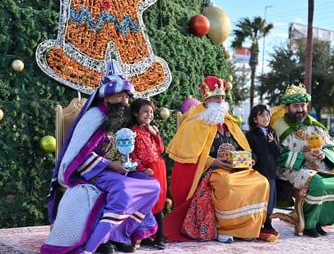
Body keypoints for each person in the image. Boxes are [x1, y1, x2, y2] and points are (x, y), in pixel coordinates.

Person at [41, 59, 160, 254]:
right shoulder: (94, 117)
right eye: (120, 97)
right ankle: (100, 241)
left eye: (127, 98)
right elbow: (79, 155)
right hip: (92, 171)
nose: (125, 102)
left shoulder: (120, 118)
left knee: (152, 186)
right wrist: (111, 165)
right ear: (106, 98)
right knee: (122, 189)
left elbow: (124, 149)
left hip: (117, 170)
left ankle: (120, 234)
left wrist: (135, 166)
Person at [164, 75, 275, 244]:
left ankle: (248, 228)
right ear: (207, 100)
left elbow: (243, 147)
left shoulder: (229, 122)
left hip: (237, 169)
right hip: (212, 171)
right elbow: (191, 155)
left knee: (261, 182)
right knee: (228, 185)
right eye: (217, 97)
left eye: (222, 97)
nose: (221, 100)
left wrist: (249, 159)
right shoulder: (194, 123)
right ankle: (224, 229)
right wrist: (213, 162)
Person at [270, 83, 334, 238]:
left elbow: (331, 146)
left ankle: (322, 220)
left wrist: (324, 154)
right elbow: (277, 155)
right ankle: (309, 225)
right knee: (316, 183)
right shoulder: (279, 128)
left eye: (302, 105)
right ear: (287, 108)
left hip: (320, 167)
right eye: (296, 106)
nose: (300, 109)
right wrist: (303, 157)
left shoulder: (315, 126)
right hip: (291, 170)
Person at [129, 98, 167, 249]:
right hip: (146, 171)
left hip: (159, 168)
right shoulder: (132, 132)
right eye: (145, 111)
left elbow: (161, 149)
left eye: (151, 112)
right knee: (148, 202)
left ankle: (160, 236)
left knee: (159, 202)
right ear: (135, 113)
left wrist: (155, 133)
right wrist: (141, 169)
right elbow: (131, 155)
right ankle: (147, 235)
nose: (149, 115)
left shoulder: (152, 130)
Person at [246, 104, 283, 238]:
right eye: (262, 115)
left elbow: (279, 151)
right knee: (258, 197)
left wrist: (272, 142)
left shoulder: (272, 132)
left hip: (271, 171)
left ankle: (268, 222)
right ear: (255, 119)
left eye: (267, 115)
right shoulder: (251, 134)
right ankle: (256, 223)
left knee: (270, 198)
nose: (266, 118)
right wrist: (253, 159)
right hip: (258, 171)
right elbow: (251, 151)